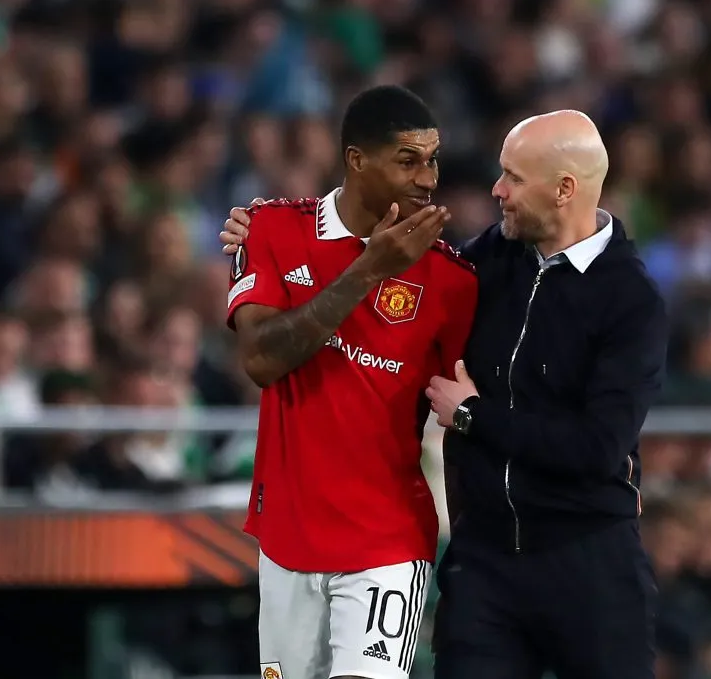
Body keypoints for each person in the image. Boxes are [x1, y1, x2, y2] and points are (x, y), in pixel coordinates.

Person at [221, 110, 667, 679]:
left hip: (587, 559)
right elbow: (390, 262)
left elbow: (598, 447)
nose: (496, 189)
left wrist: (476, 417)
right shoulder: (485, 264)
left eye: (513, 178)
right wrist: (262, 235)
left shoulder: (631, 300)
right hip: (484, 562)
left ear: (564, 190)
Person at [224, 85, 478, 679]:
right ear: (357, 160)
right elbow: (262, 359)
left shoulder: (451, 279)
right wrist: (370, 269)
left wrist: (468, 554)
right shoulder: (269, 231)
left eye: (433, 159)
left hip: (387, 541)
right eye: (408, 161)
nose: (429, 179)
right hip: (287, 533)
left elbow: (463, 425)